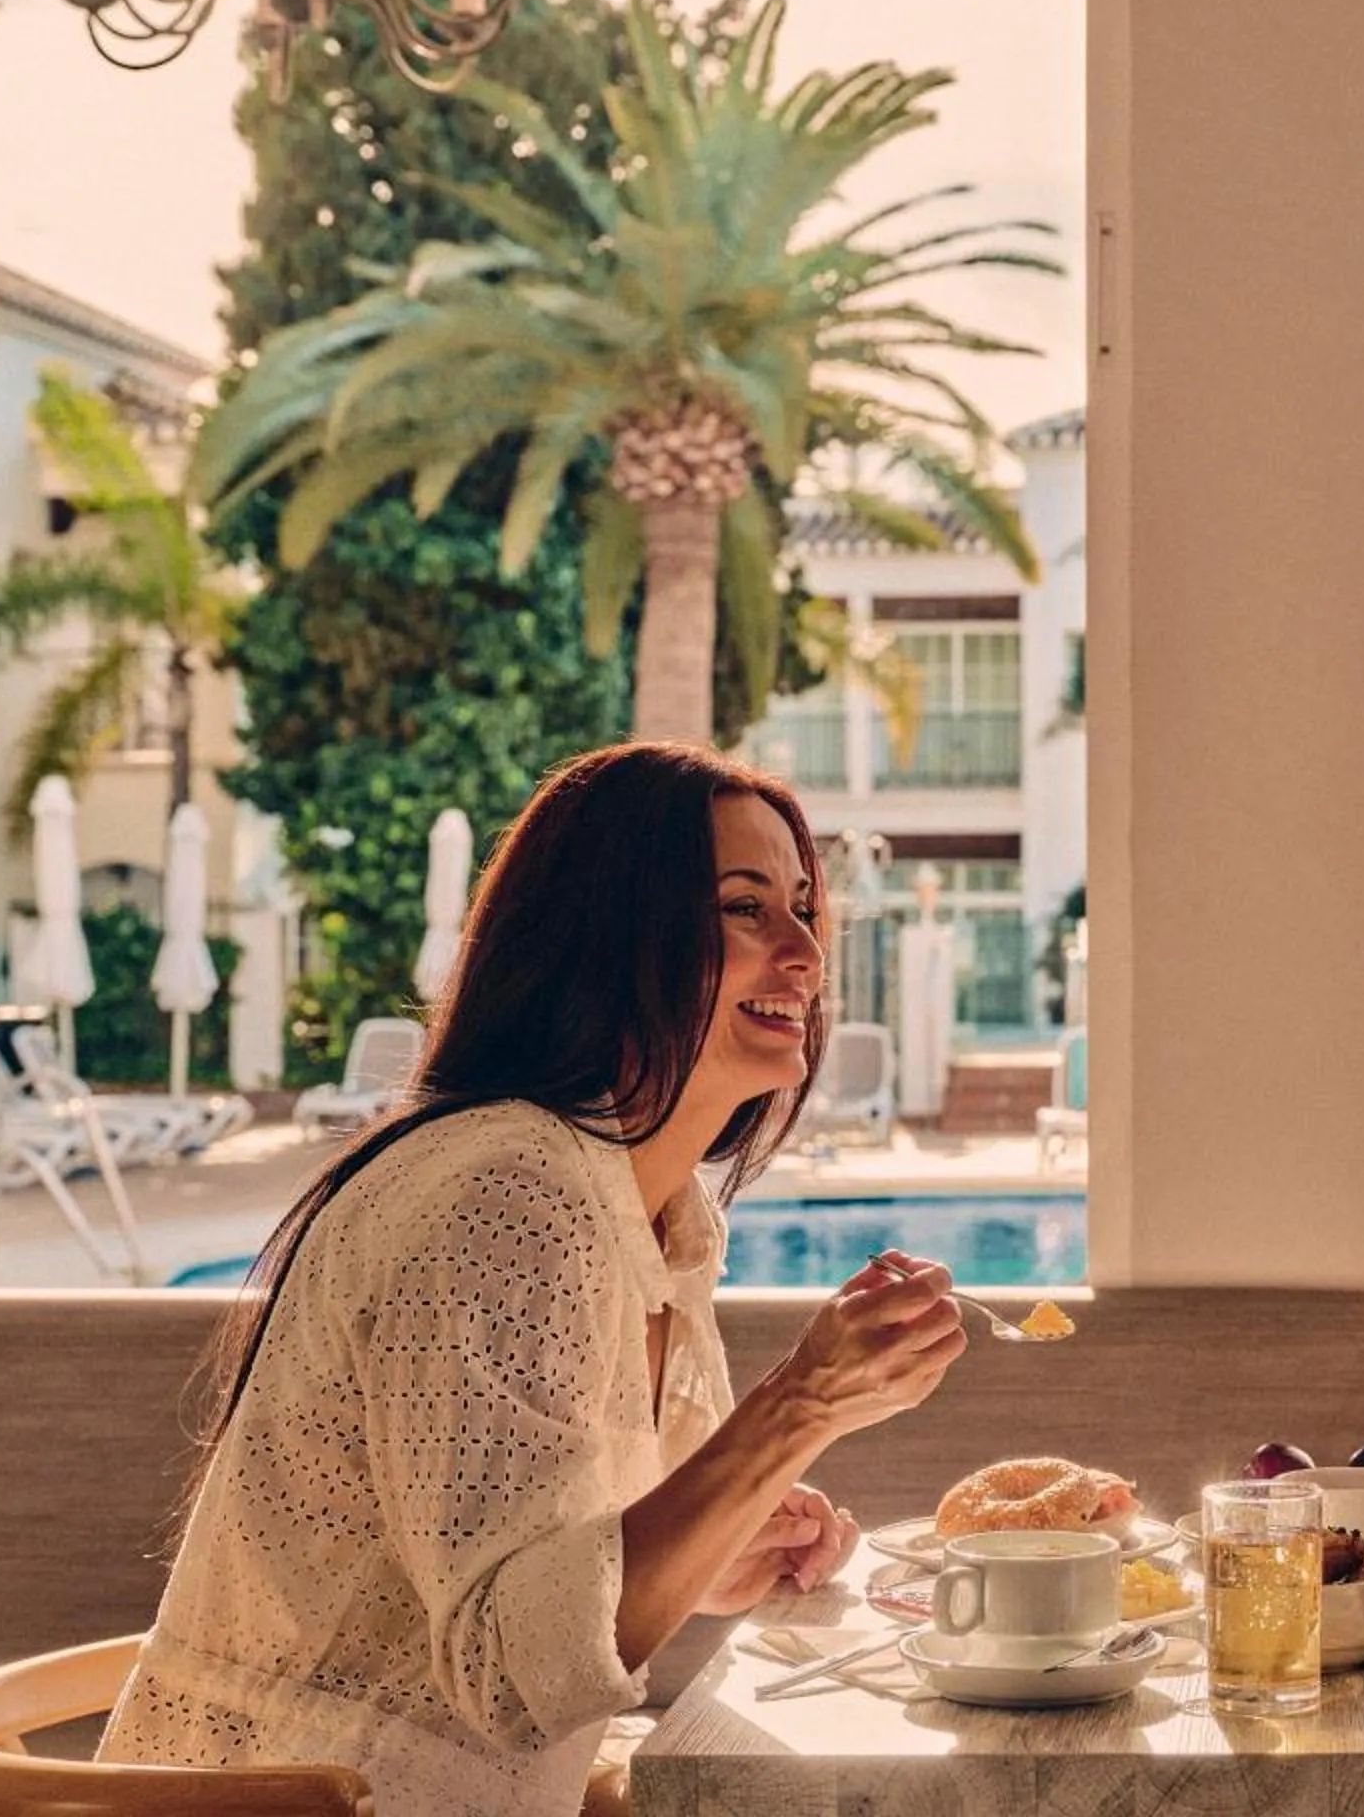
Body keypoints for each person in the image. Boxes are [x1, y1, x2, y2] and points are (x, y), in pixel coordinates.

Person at [101, 744, 970, 1817]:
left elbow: (554, 1568)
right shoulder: (503, 1192)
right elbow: (512, 1677)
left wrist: (717, 1548)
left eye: (803, 909)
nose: (805, 954)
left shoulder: (659, 1220)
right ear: (606, 937)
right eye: (745, 909)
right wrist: (798, 1408)